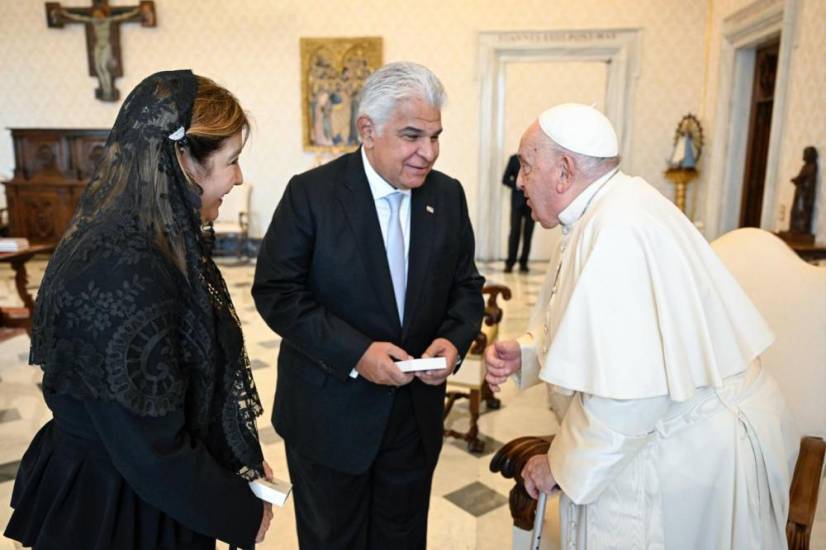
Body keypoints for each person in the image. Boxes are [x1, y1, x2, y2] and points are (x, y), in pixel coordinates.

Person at [484, 103, 800, 549]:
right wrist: (530, 353)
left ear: (564, 171)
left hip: (696, 455)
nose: (518, 181)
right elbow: (597, 332)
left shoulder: (618, 229)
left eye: (526, 167)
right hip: (666, 432)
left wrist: (558, 464)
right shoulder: (602, 212)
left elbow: (628, 396)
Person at [5, 70, 273, 550]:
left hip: (149, 492)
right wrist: (239, 512)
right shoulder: (122, 269)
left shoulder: (154, 240)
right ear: (183, 160)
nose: (238, 178)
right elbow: (150, 448)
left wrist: (234, 454)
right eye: (232, 162)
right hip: (117, 510)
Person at [252, 61, 484, 549]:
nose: (429, 152)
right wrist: (356, 353)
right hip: (329, 417)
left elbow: (466, 286)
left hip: (414, 419)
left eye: (436, 136)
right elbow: (277, 292)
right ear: (367, 130)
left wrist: (454, 341)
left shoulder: (447, 196)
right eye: (412, 136)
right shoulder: (311, 195)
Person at [502, 153, 534, 272]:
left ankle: (523, 263)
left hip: (532, 202)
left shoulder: (535, 159)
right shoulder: (513, 159)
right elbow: (505, 179)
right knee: (514, 232)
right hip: (517, 203)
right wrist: (518, 185)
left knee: (528, 234)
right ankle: (510, 263)